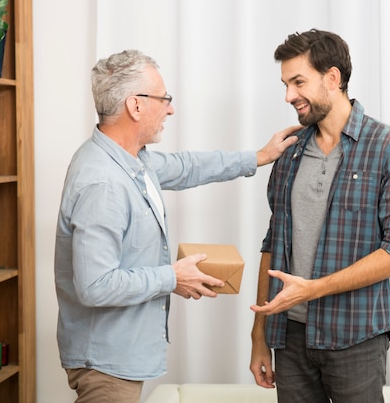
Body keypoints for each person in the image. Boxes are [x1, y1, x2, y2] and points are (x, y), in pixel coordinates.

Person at [54, 49, 302, 403]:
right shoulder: (103, 182)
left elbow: (187, 167)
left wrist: (258, 157)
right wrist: (173, 277)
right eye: (163, 99)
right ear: (135, 106)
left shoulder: (130, 160)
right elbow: (95, 286)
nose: (170, 108)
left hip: (117, 357)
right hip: (105, 365)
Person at [249, 29, 390, 403]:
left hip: (356, 337)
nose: (288, 96)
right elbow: (272, 243)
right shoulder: (290, 151)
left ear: (333, 78)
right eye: (285, 84)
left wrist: (313, 289)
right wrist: (259, 335)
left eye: (298, 82)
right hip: (290, 338)